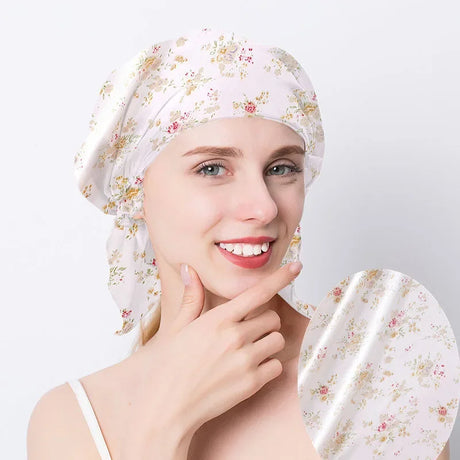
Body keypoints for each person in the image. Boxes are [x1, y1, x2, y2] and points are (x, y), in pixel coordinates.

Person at [26, 28, 451, 460]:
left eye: (282, 168)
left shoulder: (381, 382)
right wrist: (167, 421)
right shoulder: (72, 419)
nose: (264, 207)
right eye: (212, 168)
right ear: (136, 191)